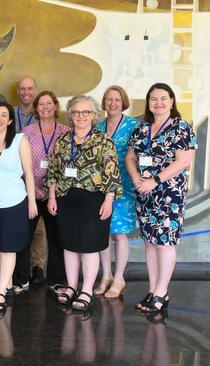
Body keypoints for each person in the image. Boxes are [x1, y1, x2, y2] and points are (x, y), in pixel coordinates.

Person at [45, 95, 122, 312]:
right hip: (65, 200)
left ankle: (86, 289)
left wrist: (109, 200)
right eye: (77, 112)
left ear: (94, 115)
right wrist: (52, 196)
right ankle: (71, 287)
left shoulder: (103, 141)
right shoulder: (63, 141)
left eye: (85, 112)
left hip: (93, 201)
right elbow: (53, 172)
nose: (81, 116)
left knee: (89, 247)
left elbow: (111, 174)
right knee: (69, 246)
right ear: (70, 114)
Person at [126, 83, 197, 313]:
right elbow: (130, 157)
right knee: (150, 242)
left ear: (172, 101)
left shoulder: (181, 127)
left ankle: (162, 292)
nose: (158, 103)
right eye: (153, 99)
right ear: (148, 102)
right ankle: (153, 289)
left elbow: (183, 161)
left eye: (163, 98)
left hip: (169, 193)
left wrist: (154, 181)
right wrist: (137, 178)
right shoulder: (142, 128)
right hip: (144, 193)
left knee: (165, 242)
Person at [0, 101, 37, 313]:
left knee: (9, 247)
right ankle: (4, 286)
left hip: (15, 202)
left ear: (10, 120)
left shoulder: (19, 140)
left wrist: (32, 201)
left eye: (4, 114)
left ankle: (2, 291)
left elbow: (29, 173)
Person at [16, 91, 70, 294]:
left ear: (56, 106)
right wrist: (34, 189)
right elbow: (20, 162)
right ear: (36, 109)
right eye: (41, 104)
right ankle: (21, 278)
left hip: (56, 195)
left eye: (49, 103)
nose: (45, 107)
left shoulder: (66, 132)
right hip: (31, 191)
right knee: (23, 237)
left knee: (57, 238)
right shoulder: (27, 132)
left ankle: (56, 280)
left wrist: (52, 191)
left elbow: (68, 164)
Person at [94, 85, 140, 298]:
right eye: (109, 99)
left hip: (125, 187)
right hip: (102, 187)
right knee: (103, 233)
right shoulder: (99, 126)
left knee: (120, 234)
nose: (112, 103)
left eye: (117, 100)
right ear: (104, 102)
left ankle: (119, 278)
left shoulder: (133, 125)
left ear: (123, 102)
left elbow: (140, 154)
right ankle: (106, 275)